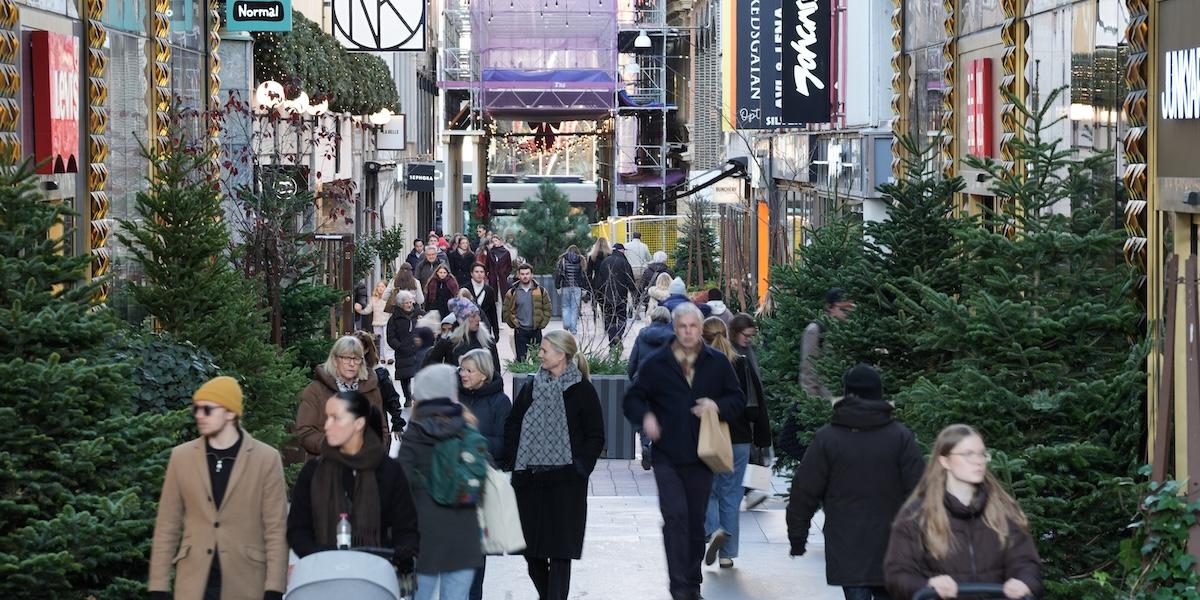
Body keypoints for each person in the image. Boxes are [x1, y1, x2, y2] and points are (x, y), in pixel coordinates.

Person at [623, 303, 745, 600]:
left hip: (701, 456)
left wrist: (716, 406)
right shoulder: (656, 363)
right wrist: (646, 417)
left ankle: (692, 581)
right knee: (675, 517)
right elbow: (633, 399)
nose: (688, 332)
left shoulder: (716, 362)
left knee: (693, 520)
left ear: (700, 328)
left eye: (693, 326)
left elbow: (737, 400)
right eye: (682, 326)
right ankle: (679, 588)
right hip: (667, 455)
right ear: (675, 329)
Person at [787, 364, 925, 600]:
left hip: (847, 545)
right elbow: (922, 492)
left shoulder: (828, 438)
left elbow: (804, 491)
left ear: (847, 393)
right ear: (878, 393)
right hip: (893, 545)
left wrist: (798, 538)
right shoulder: (900, 436)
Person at [149, 377, 288, 600]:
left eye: (207, 409)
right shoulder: (181, 457)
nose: (199, 415)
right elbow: (167, 524)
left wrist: (274, 588)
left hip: (245, 581)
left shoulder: (266, 459)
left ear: (231, 413)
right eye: (196, 409)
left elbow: (276, 529)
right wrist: (158, 586)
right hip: (194, 582)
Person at [883, 424, 1043, 600]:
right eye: (968, 454)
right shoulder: (916, 515)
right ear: (944, 461)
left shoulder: (1004, 510)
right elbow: (897, 574)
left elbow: (1026, 563)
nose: (979, 461)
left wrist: (1024, 582)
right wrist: (928, 585)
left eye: (982, 454)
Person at [501, 330, 605, 600]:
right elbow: (513, 423)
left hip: (565, 482)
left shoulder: (582, 390)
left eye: (545, 350)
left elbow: (596, 435)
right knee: (530, 552)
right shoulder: (531, 386)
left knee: (559, 553)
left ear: (561, 354)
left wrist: (580, 468)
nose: (540, 354)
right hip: (530, 480)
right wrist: (515, 460)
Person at [286, 390, 419, 573]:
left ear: (358, 423)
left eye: (335, 418)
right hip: (322, 576)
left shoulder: (389, 471)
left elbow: (406, 527)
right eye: (327, 417)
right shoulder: (313, 472)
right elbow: (297, 529)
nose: (326, 425)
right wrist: (320, 556)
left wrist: (401, 555)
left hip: (375, 577)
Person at [398, 365, 487, 600]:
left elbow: (400, 487)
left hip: (424, 539)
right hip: (465, 538)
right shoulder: (468, 429)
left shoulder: (415, 433)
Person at [701, 318, 772, 570]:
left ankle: (711, 530)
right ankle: (727, 554)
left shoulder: (701, 365)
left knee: (708, 489)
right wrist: (763, 439)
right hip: (740, 439)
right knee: (731, 495)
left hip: (710, 436)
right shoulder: (741, 363)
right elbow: (758, 400)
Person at [457, 348, 513, 600]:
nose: (463, 374)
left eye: (469, 370)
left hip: (482, 484)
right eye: (461, 369)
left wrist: (471, 442)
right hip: (453, 480)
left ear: (484, 374)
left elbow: (505, 444)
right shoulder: (453, 398)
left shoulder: (500, 402)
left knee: (476, 554)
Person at [296, 336, 388, 457]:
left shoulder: (371, 390)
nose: (351, 363)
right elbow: (305, 431)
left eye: (356, 359)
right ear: (334, 360)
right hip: (326, 465)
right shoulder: (315, 390)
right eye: (346, 358)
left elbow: (382, 430)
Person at [728, 313, 772, 509]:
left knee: (756, 449)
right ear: (736, 332)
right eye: (745, 335)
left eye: (751, 335)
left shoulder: (749, 349)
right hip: (741, 410)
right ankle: (750, 491)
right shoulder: (731, 352)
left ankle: (752, 489)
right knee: (747, 451)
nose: (748, 339)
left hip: (754, 407)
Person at [627, 305, 676, 470]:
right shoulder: (673, 337)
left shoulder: (642, 335)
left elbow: (633, 360)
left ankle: (646, 444)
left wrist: (633, 376)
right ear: (668, 320)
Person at [424, 297, 501, 377]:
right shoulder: (449, 342)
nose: (478, 319)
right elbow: (429, 366)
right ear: (463, 321)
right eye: (473, 316)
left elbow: (496, 373)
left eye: (478, 314)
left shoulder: (488, 341)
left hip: (485, 388)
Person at [801, 287, 854, 401]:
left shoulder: (852, 330)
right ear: (830, 308)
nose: (848, 313)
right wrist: (814, 405)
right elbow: (808, 372)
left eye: (851, 308)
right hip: (827, 400)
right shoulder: (815, 330)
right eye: (843, 309)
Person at [356, 330, 407, 436]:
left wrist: (397, 424)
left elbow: (391, 398)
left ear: (366, 349)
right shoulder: (345, 373)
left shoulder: (379, 372)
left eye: (358, 348)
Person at [503, 263, 553, 362]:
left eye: (527, 273)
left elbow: (547, 308)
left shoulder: (541, 291)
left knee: (537, 360)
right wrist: (514, 324)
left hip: (536, 329)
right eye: (522, 274)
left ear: (531, 275)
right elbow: (506, 310)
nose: (525, 276)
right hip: (520, 330)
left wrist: (542, 324)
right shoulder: (512, 292)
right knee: (521, 359)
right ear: (518, 275)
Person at [387, 290, 425, 408]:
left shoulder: (419, 314)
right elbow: (391, 336)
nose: (409, 305)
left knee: (421, 374)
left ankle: (418, 396)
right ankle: (407, 398)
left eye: (410, 302)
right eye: (406, 303)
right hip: (403, 351)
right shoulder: (394, 319)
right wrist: (399, 346)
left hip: (418, 350)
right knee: (405, 376)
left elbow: (429, 327)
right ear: (400, 304)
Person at [595, 243, 638, 345]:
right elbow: (630, 280)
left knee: (610, 319)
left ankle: (612, 340)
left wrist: (599, 296)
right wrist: (634, 293)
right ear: (621, 250)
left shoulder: (605, 262)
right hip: (621, 296)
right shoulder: (624, 262)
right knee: (622, 318)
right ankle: (618, 335)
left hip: (607, 297)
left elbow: (599, 280)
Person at [554, 244, 586, 335]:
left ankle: (566, 324)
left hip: (565, 286)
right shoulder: (581, 260)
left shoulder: (563, 260)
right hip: (577, 287)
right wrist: (584, 288)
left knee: (565, 306)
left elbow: (559, 273)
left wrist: (557, 286)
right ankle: (573, 328)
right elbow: (583, 275)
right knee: (575, 308)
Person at [465, 262, 500, 335]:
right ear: (471, 273)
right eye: (476, 272)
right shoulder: (465, 289)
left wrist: (496, 331)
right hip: (469, 326)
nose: (479, 274)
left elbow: (492, 311)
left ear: (485, 274)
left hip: (485, 326)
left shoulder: (489, 290)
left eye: (481, 272)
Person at [365, 281, 394, 364]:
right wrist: (359, 310)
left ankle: (389, 357)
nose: (380, 288)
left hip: (387, 321)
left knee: (387, 340)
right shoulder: (373, 299)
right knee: (379, 340)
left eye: (382, 286)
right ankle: (381, 357)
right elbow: (368, 309)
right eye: (379, 286)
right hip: (377, 322)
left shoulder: (388, 298)